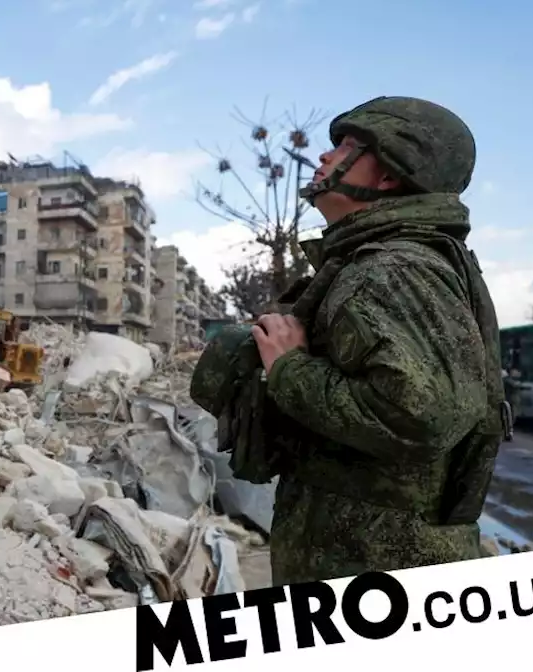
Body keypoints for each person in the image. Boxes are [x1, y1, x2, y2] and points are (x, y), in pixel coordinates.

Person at [193, 96, 510, 585]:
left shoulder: (391, 270)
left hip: (374, 562)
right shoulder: (388, 262)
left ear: (389, 175)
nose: (324, 157)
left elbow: (422, 416)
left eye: (346, 148)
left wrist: (289, 367)